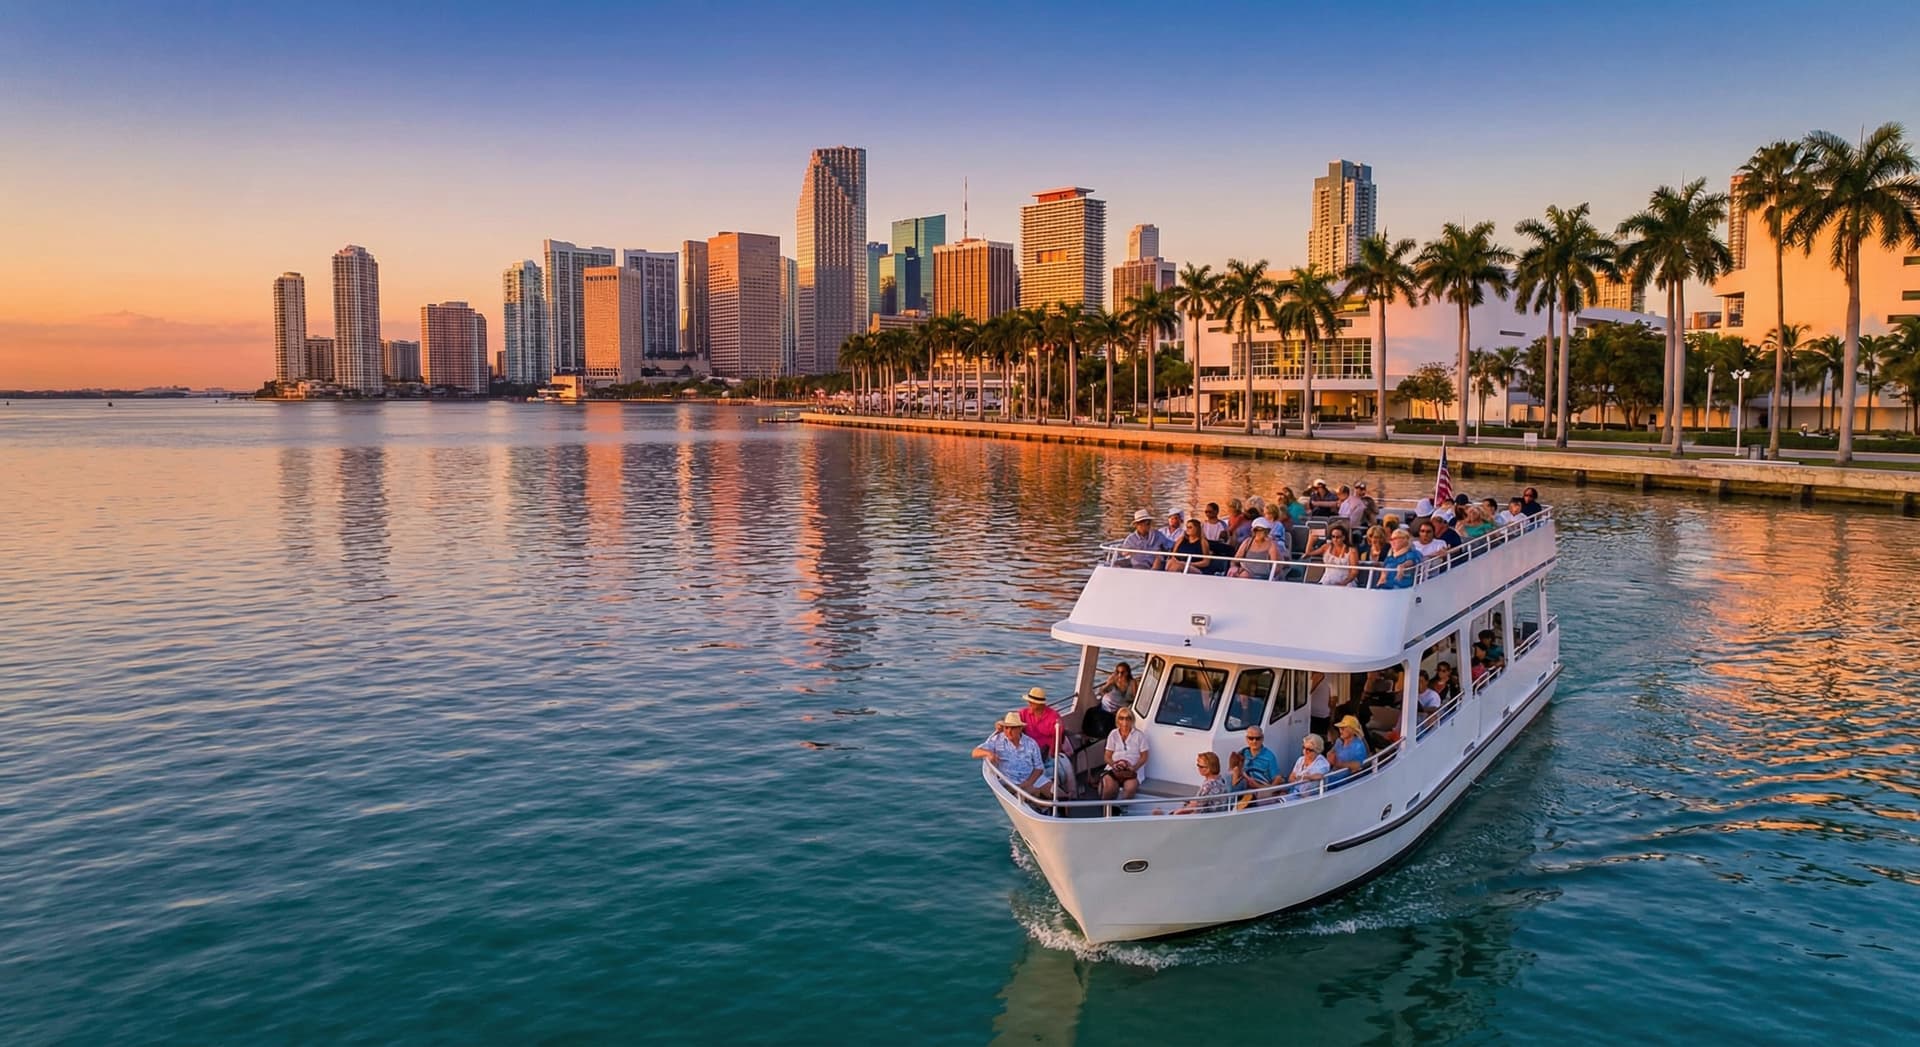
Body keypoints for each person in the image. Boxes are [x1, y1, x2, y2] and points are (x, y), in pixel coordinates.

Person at [972, 711, 1051, 799]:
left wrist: (1028, 782)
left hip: (1030, 777)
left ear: (1020, 728)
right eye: (1006, 728)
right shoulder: (997, 740)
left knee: (1055, 793)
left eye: (1012, 728)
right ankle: (1036, 797)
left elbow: (1039, 768)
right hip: (1010, 781)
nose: (1009, 731)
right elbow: (975, 752)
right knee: (1028, 794)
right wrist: (989, 753)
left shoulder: (1031, 743)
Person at [1100, 708, 1151, 808]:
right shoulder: (1113, 734)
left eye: (1128, 718)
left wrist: (1134, 767)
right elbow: (1107, 756)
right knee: (1109, 788)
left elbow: (1144, 756)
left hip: (1132, 770)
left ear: (1132, 720)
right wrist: (1114, 765)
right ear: (1117, 720)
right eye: (1121, 718)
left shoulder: (1139, 736)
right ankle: (1105, 811)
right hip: (1115, 768)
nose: (1124, 722)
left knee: (1130, 788)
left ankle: (1121, 810)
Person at [1084, 662, 1134, 739]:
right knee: (1091, 713)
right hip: (1106, 706)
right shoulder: (1113, 679)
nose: (1120, 675)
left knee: (1108, 721)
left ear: (1127, 672)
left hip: (1120, 708)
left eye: (1122, 672)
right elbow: (1102, 690)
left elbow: (1134, 698)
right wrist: (1109, 684)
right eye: (1118, 672)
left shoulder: (1132, 683)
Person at [1308, 670, 1333, 735]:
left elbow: (1332, 699)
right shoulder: (1329, 675)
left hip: (1319, 715)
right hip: (1316, 714)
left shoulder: (1323, 675)